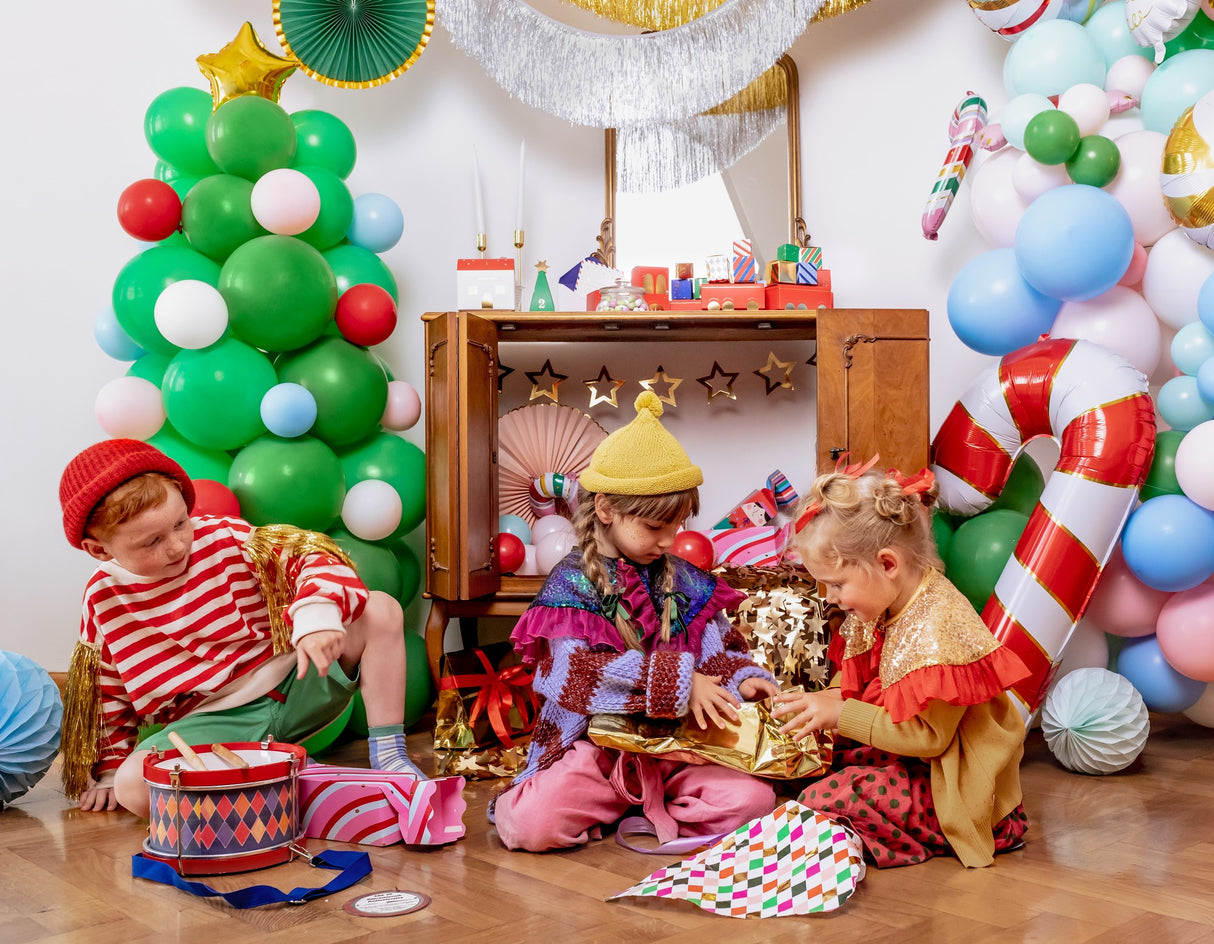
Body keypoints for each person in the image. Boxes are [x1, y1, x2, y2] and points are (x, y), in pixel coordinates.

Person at [58, 438, 427, 816]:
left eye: (180, 522)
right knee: (133, 787)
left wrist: (316, 615)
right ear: (100, 550)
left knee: (380, 607)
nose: (176, 546)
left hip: (297, 685)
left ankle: (389, 757)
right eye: (152, 541)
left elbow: (312, 554)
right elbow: (106, 690)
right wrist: (108, 770)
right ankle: (293, 782)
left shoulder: (225, 536)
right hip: (212, 727)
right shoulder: (103, 598)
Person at [493, 392, 781, 852]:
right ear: (606, 510)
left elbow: (720, 651)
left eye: (678, 525)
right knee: (530, 826)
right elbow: (574, 677)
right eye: (654, 527)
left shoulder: (687, 582)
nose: (670, 540)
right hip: (597, 752)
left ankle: (648, 803)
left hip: (679, 748)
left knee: (755, 801)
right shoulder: (571, 586)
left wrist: (743, 679)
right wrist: (681, 685)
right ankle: (631, 801)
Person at [770, 460, 1031, 868]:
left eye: (837, 584)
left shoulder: (938, 625)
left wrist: (840, 713)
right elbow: (858, 677)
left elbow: (930, 740)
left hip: (946, 774)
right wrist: (824, 701)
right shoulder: (881, 603)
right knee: (807, 768)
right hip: (906, 753)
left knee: (827, 798)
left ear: (887, 563)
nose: (831, 597)